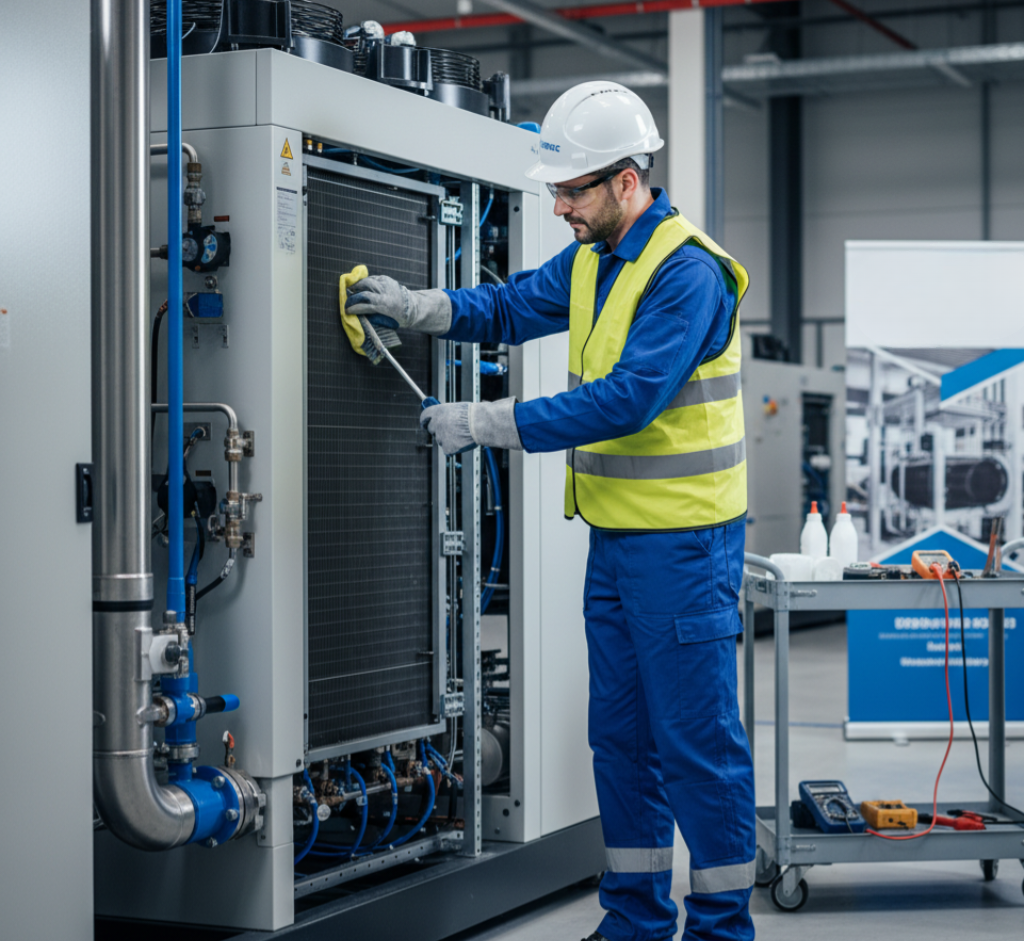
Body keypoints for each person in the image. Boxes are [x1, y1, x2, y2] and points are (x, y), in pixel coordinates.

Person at [346, 81, 756, 941]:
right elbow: (509, 303)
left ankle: (721, 929)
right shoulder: (593, 260)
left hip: (685, 552)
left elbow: (628, 400)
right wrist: (420, 306)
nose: (560, 205)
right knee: (622, 745)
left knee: (697, 751)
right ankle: (634, 922)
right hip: (617, 547)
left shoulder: (687, 272)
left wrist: (486, 422)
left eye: (574, 189)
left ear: (629, 181)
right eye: (557, 189)